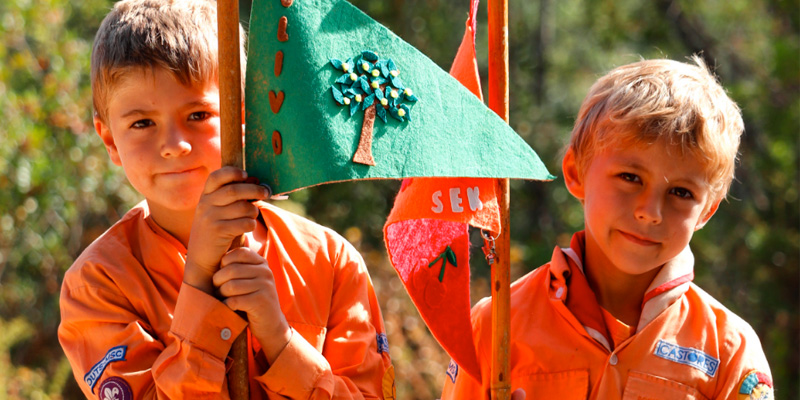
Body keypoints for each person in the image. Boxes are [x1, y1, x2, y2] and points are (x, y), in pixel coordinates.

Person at [58, 0, 394, 398]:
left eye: (198, 115)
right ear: (110, 139)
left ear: (243, 116)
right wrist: (199, 280)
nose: (174, 145)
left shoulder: (330, 262)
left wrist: (280, 338)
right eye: (142, 123)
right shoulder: (99, 283)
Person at [441, 57, 773, 399]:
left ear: (707, 211)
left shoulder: (729, 351)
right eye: (630, 178)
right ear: (575, 172)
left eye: (681, 193)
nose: (650, 212)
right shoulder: (496, 327)